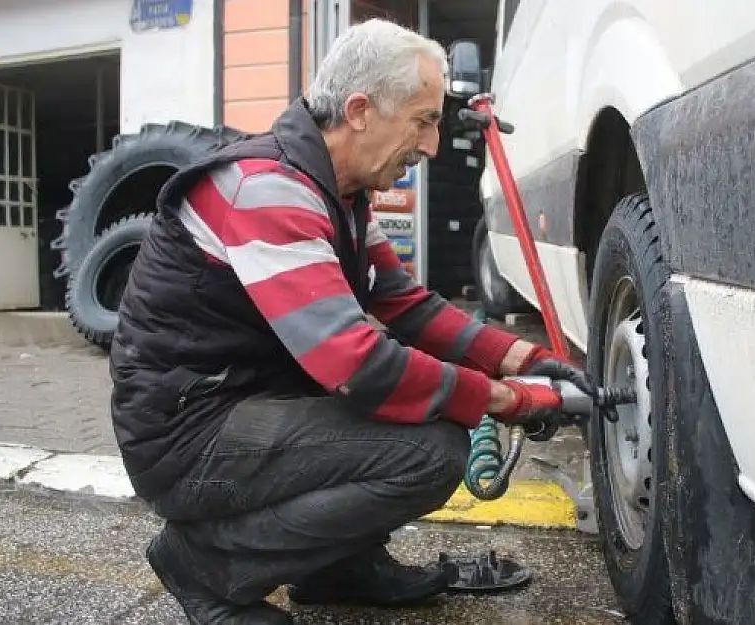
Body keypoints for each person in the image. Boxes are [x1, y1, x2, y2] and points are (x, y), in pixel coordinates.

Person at [108, 18, 593, 625]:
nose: (433, 145)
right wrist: (502, 399)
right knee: (428, 452)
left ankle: (334, 567)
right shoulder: (267, 191)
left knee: (412, 423)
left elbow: (403, 303)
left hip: (246, 406)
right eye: (423, 120)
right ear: (360, 110)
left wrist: (522, 360)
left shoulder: (337, 193)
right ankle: (206, 568)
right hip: (188, 437)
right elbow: (357, 362)